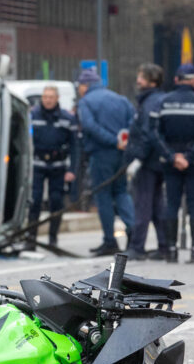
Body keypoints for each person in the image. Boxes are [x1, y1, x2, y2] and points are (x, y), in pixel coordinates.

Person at [152, 63, 194, 263]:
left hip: (170, 163)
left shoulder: (162, 102)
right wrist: (190, 157)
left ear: (176, 80)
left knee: (171, 204)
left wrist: (173, 157)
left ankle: (171, 250)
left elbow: (154, 133)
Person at [76, 68, 135, 257]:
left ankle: (110, 240)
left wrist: (112, 141)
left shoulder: (86, 102)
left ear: (85, 86)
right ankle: (133, 232)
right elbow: (133, 122)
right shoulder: (121, 99)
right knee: (121, 191)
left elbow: (89, 126)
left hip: (101, 154)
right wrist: (123, 141)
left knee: (103, 197)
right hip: (121, 154)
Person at [27, 85, 77, 250]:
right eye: (45, 96)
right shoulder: (32, 116)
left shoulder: (66, 118)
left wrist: (72, 170)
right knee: (34, 201)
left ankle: (53, 239)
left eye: (51, 97)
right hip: (37, 165)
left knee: (56, 202)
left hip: (58, 166)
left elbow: (76, 146)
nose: (47, 100)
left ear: (57, 99)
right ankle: (31, 239)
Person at [125, 63, 166, 261]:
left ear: (151, 81)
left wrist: (139, 158)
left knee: (143, 204)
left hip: (148, 162)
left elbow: (149, 134)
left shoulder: (150, 102)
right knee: (158, 205)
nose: (138, 81)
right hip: (155, 161)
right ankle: (165, 245)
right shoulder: (154, 100)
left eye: (141, 77)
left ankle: (137, 247)